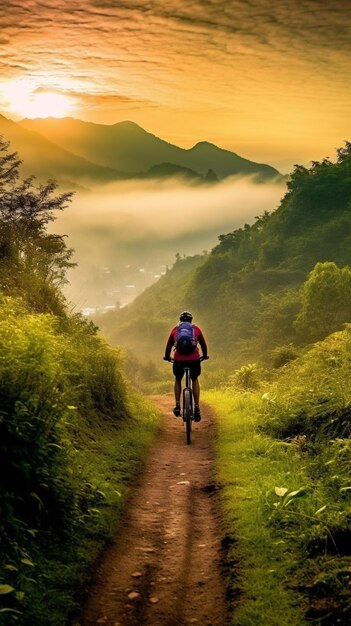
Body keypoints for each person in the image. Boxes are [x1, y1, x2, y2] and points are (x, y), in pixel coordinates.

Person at [164, 311, 208, 422]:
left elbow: (169, 345)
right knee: (195, 379)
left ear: (180, 320)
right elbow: (203, 344)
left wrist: (167, 357)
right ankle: (197, 408)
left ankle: (178, 405)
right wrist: (205, 355)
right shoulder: (196, 329)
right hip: (194, 359)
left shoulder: (175, 329)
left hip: (179, 360)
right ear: (190, 320)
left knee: (178, 379)